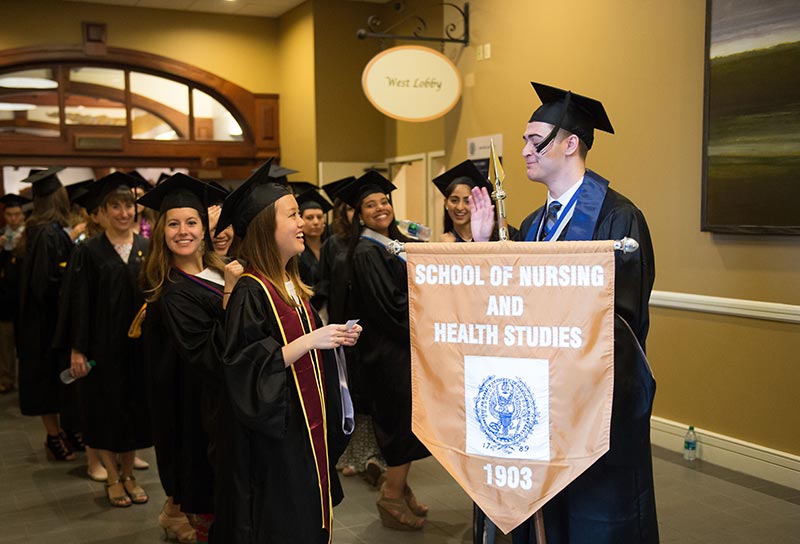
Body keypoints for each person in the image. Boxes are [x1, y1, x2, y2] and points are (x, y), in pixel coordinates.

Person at [470, 82, 657, 543]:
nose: (525, 152)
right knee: (547, 520)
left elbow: (622, 319)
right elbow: (512, 306)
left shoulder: (616, 218)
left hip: (593, 406)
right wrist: (484, 246)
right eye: (524, 141)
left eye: (535, 141)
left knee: (596, 518)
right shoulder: (534, 223)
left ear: (571, 143)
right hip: (541, 406)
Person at [210, 159, 360, 543]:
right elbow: (245, 369)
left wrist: (332, 339)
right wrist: (309, 341)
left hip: (303, 431)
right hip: (277, 439)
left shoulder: (289, 284)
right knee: (285, 521)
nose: (301, 223)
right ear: (265, 226)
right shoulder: (250, 291)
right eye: (292, 214)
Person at [139, 174, 235, 543]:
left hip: (223, 398)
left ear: (204, 228)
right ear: (161, 232)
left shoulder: (218, 269)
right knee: (204, 481)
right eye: (174, 224)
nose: (183, 231)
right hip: (194, 401)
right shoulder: (171, 290)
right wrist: (229, 295)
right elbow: (208, 352)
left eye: (191, 222)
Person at [339, 171, 431, 531]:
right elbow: (390, 308)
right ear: (359, 214)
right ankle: (391, 496)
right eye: (370, 204)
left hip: (396, 350)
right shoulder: (366, 252)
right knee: (400, 425)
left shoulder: (388, 242)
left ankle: (400, 488)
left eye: (384, 201)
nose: (380, 208)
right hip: (388, 354)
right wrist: (429, 306)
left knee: (405, 421)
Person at [63, 171, 152, 508]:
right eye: (114, 206)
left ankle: (128, 474)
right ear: (101, 212)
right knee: (102, 413)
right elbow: (77, 304)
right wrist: (77, 348)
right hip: (101, 351)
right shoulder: (88, 252)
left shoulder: (147, 248)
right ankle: (112, 477)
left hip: (137, 351)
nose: (123, 213)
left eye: (128, 205)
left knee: (133, 413)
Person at [316, 176, 386, 486]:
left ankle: (373, 456)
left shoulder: (375, 242)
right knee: (353, 390)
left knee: (370, 394)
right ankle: (354, 454)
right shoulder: (336, 244)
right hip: (346, 326)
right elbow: (326, 286)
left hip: (371, 328)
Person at [16, 167, 77, 462]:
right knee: (47, 381)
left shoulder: (37, 230)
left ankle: (60, 433)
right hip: (46, 324)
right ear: (57, 198)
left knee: (51, 381)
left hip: (39, 322)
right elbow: (46, 283)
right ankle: (54, 437)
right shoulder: (47, 233)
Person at [0, 194, 29, 394]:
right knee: (5, 344)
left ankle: (27, 381)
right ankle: (6, 379)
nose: (13, 218)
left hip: (25, 299)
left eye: (17, 214)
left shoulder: (29, 236)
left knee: (26, 344)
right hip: (4, 300)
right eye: (9, 214)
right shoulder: (1, 236)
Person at [432, 159, 496, 243]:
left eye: (468, 201)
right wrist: (445, 251)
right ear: (446, 203)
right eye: (454, 200)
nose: (460, 207)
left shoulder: (498, 237)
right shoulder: (446, 242)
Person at [295, 188, 331, 292]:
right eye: (309, 218)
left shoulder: (332, 247)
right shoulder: (297, 252)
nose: (316, 222)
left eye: (319, 217)